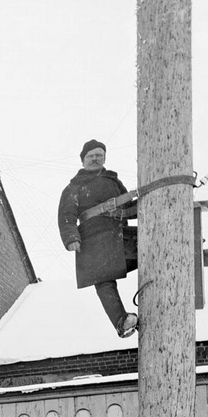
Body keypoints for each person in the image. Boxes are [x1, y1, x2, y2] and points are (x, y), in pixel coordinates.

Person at [58, 139, 138, 337]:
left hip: (120, 236)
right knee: (103, 279)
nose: (95, 159)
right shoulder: (74, 188)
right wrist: (71, 238)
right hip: (93, 239)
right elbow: (66, 216)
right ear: (83, 160)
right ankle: (122, 322)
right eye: (91, 156)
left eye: (99, 155)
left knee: (152, 253)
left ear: (104, 158)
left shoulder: (113, 181)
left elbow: (129, 207)